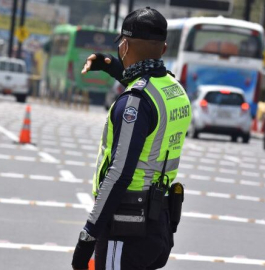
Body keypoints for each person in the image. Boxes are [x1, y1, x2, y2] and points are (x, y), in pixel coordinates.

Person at [72, 7, 191, 270]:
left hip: (126, 226)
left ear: (124, 46)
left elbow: (119, 173)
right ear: (163, 49)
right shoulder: (174, 90)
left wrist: (88, 235)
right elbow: (145, 80)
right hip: (158, 224)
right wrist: (107, 64)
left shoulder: (134, 103)